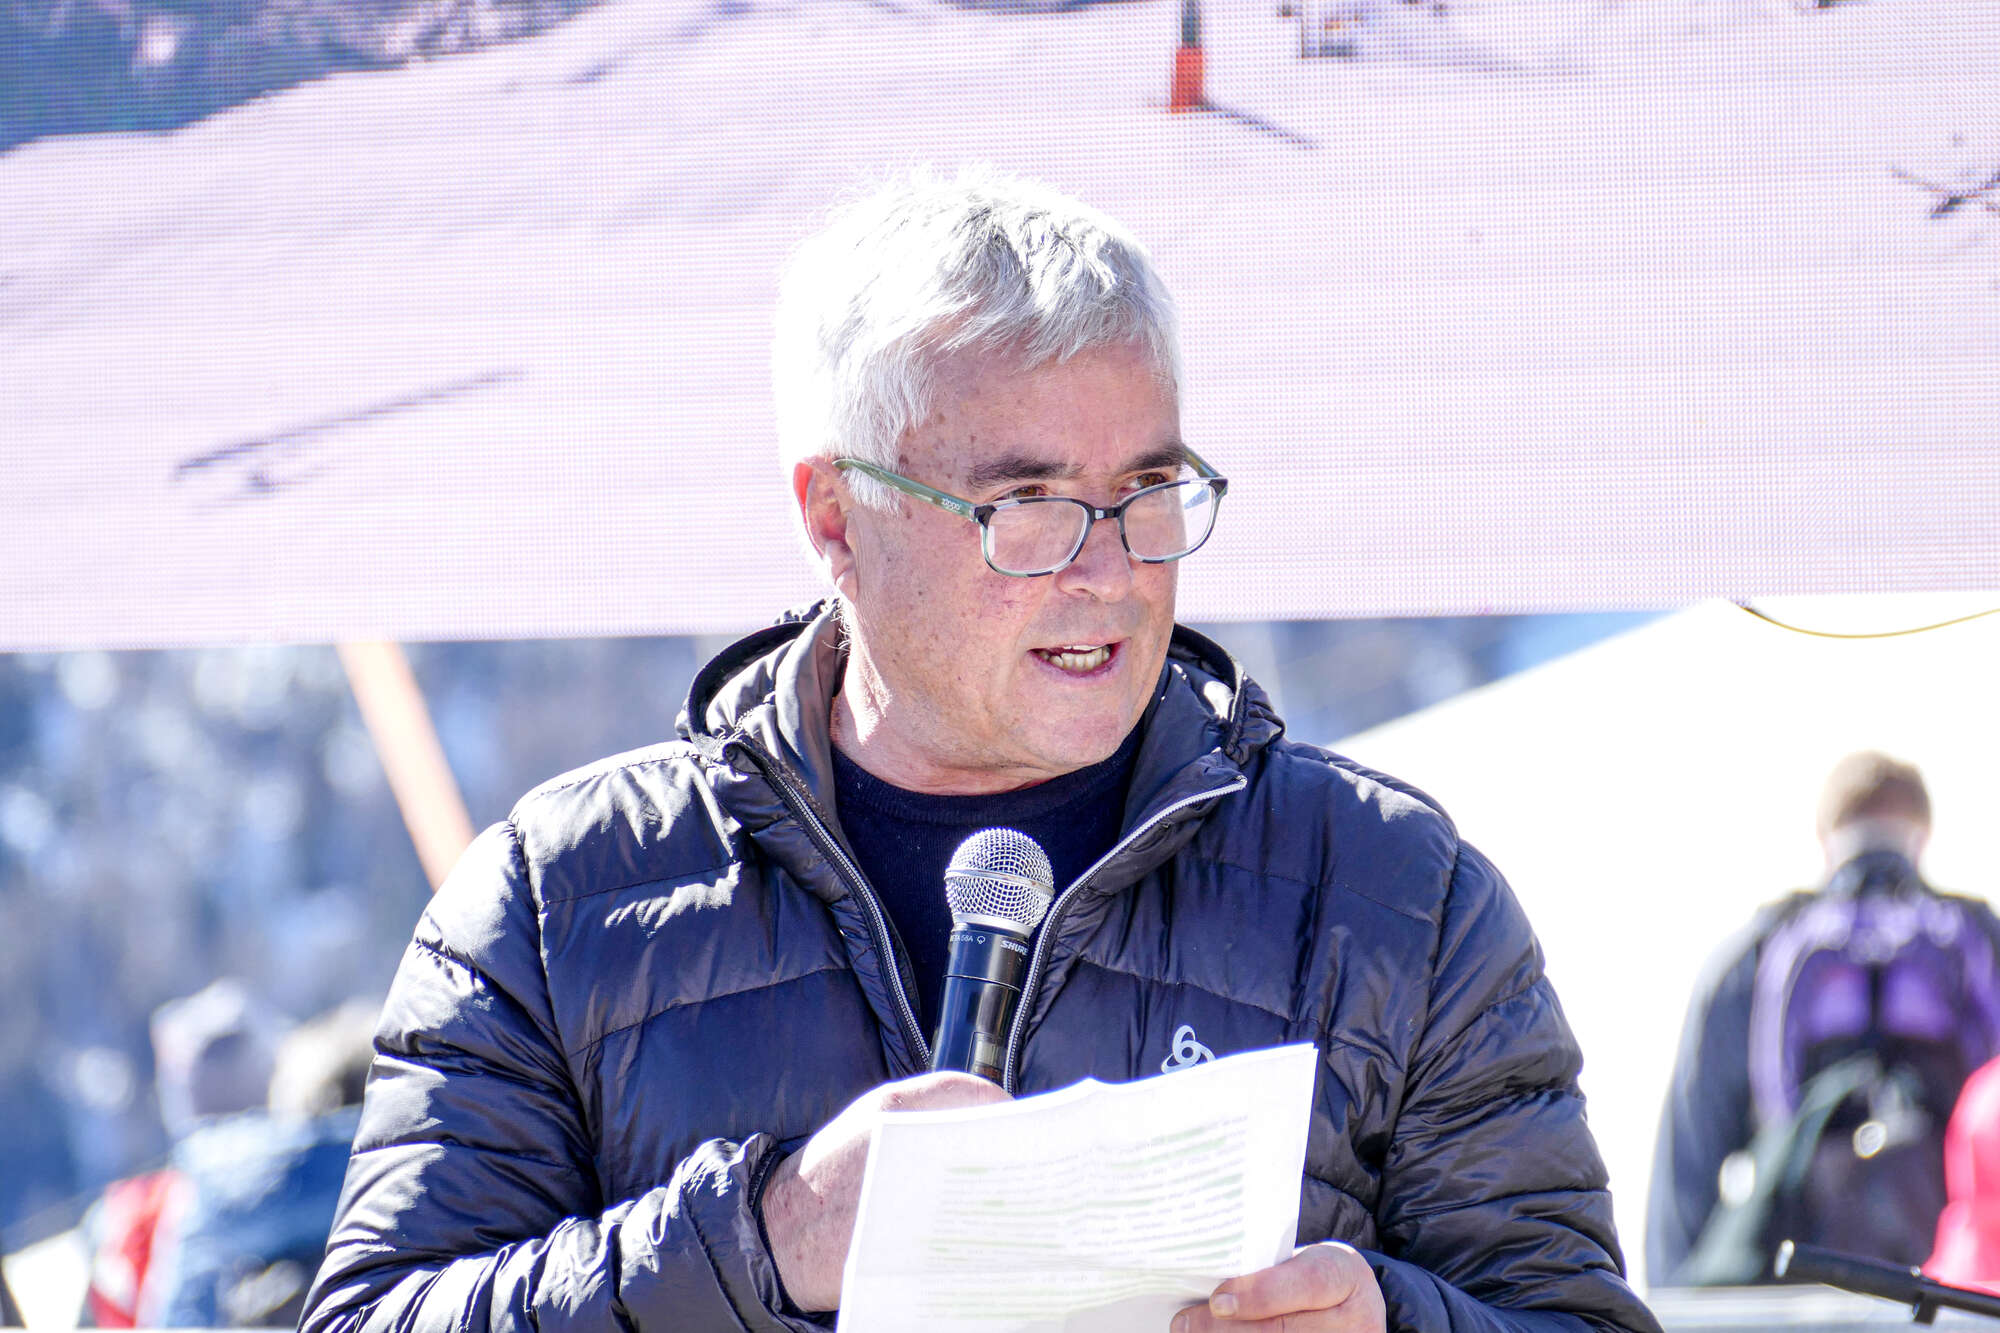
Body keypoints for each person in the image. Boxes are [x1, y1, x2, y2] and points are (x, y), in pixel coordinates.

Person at [299, 170, 1658, 1333]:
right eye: (1028, 506)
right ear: (836, 518)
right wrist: (766, 1236)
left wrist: (1392, 1321)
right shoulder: (556, 906)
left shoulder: (1393, 896)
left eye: (1146, 492)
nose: (1109, 571)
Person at [1647, 751, 2000, 1285]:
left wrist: (1673, 1298)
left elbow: (1685, 1174)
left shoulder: (1753, 957)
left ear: (1825, 837)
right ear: (1923, 836)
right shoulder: (1980, 944)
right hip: (1954, 1294)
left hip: (1797, 1283)